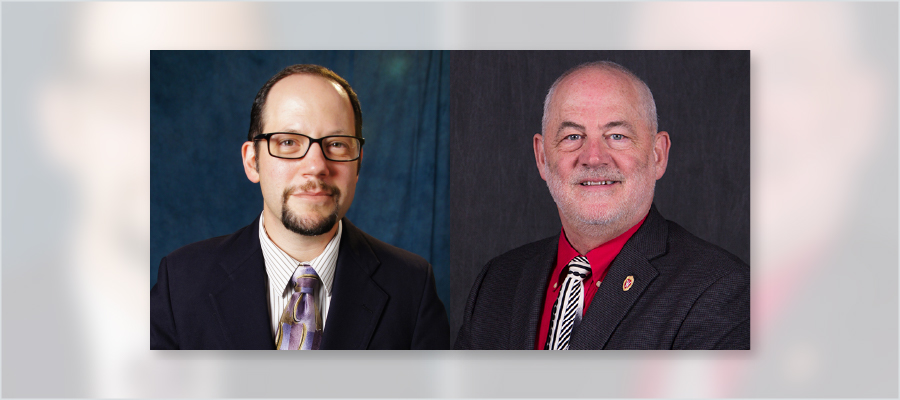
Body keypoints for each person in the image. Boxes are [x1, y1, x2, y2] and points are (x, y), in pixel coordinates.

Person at [151, 64, 450, 350]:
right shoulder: (180, 283)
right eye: (289, 142)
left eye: (336, 144)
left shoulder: (412, 288)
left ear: (358, 163)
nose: (316, 166)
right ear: (252, 161)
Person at [454, 61, 749, 350]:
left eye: (617, 136)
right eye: (573, 137)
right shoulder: (498, 281)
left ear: (658, 155)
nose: (593, 157)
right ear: (542, 158)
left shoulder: (721, 290)